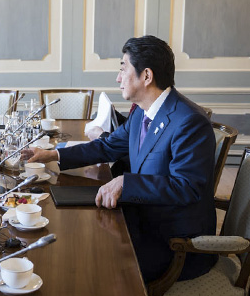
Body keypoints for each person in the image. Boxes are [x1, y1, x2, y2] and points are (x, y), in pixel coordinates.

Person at [24, 35, 217, 283]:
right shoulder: (142, 112)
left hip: (174, 244)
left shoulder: (189, 121)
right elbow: (107, 146)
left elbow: (187, 187)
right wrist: (53, 154)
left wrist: (127, 182)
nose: (118, 78)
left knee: (93, 269)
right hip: (139, 221)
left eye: (123, 69)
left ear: (146, 76)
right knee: (76, 244)